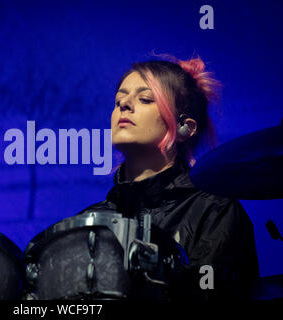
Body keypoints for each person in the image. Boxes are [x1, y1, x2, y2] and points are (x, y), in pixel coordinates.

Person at [76, 55, 259, 301]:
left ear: (186, 128)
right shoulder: (89, 221)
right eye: (119, 99)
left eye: (145, 99)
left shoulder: (215, 210)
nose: (124, 105)